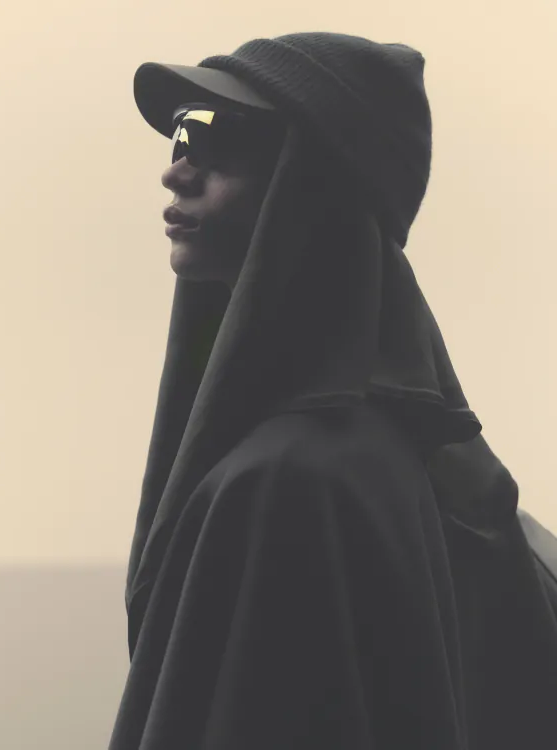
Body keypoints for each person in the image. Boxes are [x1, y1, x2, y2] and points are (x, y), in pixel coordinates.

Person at [108, 32, 557, 750]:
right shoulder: (417, 464)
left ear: (312, 186)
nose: (177, 170)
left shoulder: (286, 483)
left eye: (216, 136)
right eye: (180, 135)